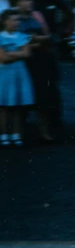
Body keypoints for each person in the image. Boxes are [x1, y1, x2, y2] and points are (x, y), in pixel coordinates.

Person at [16, 0, 59, 143]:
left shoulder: (37, 15)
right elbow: (19, 40)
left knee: (43, 97)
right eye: (26, 0)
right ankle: (20, 133)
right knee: (23, 97)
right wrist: (34, 41)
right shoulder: (15, 17)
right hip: (25, 61)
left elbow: (47, 35)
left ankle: (44, 132)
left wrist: (36, 39)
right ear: (18, 2)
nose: (29, 3)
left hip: (41, 60)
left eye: (30, 0)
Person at [0, 9, 34, 147]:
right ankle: (3, 134)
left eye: (18, 20)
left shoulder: (22, 36)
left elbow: (27, 53)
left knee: (17, 105)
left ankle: (16, 133)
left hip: (20, 73)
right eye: (14, 20)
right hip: (5, 73)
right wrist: (18, 53)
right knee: (4, 106)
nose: (17, 22)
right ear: (5, 21)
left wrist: (11, 53)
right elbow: (3, 58)